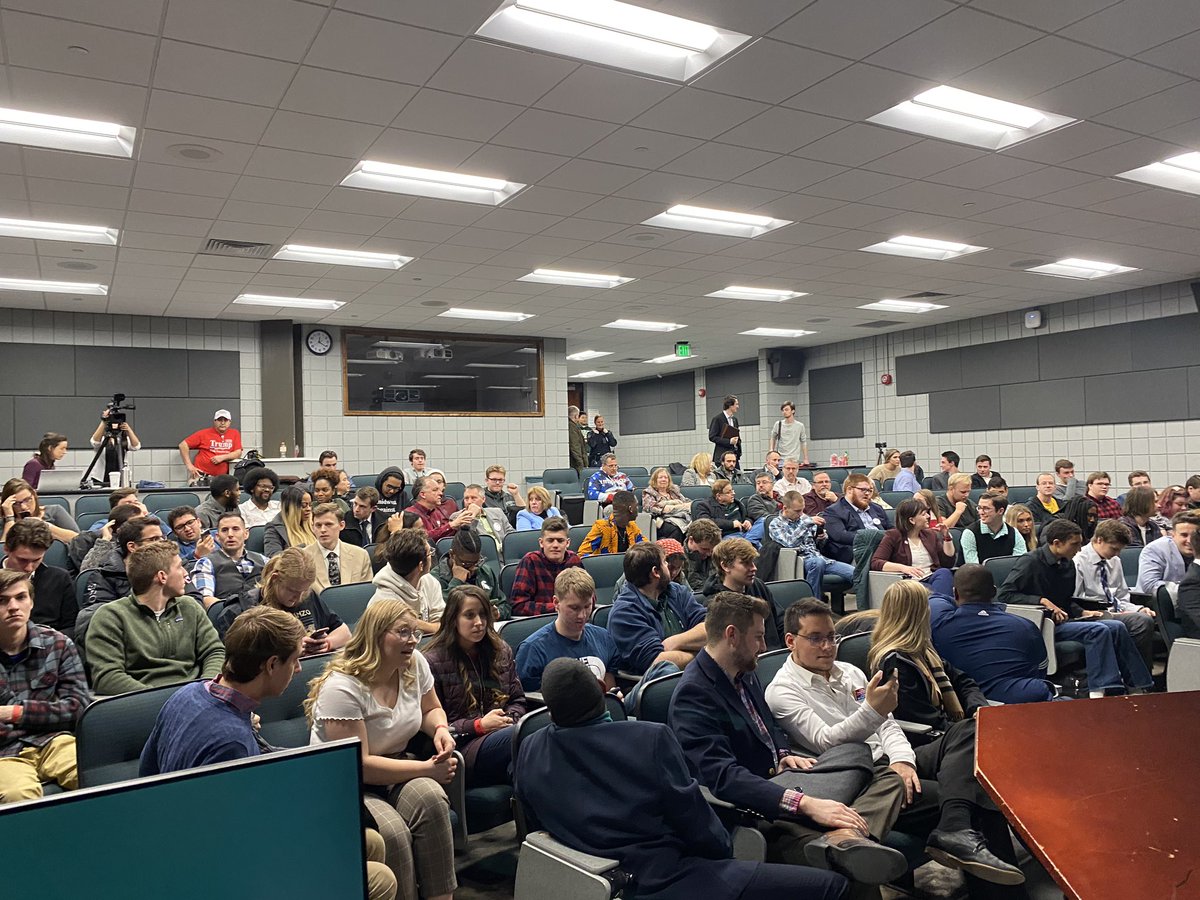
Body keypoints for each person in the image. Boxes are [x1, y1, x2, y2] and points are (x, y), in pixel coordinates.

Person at [516, 657, 849, 900]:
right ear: (604, 690)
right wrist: (726, 852)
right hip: (669, 879)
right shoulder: (649, 739)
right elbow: (694, 819)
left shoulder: (529, 749)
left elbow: (536, 819)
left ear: (550, 709)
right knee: (832, 887)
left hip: (589, 880)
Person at [768, 595, 1028, 890]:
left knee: (970, 730)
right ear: (791, 641)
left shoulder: (849, 672)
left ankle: (955, 829)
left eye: (831, 637)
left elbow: (888, 725)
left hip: (891, 760)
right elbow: (827, 742)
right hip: (861, 778)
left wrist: (902, 761)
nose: (827, 647)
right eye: (816, 639)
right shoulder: (782, 691)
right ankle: (972, 850)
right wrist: (872, 711)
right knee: (977, 794)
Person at [139, 606, 397, 900]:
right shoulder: (232, 744)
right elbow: (238, 849)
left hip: (177, 846)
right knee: (380, 878)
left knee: (371, 841)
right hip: (222, 874)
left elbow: (147, 772)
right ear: (272, 664)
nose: (298, 669)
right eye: (295, 660)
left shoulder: (186, 694)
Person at [669, 591, 907, 889]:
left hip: (787, 778)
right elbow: (723, 778)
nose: (764, 646)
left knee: (880, 770)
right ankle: (847, 842)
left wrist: (782, 752)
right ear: (732, 636)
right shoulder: (694, 694)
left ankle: (847, 836)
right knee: (849, 869)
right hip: (756, 809)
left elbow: (768, 725)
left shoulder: (742, 672)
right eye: (758, 637)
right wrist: (804, 804)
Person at [867, 582, 1027, 887]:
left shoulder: (924, 651)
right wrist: (974, 730)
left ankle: (1005, 880)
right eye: (926, 608)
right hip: (916, 747)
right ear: (916, 613)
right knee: (982, 778)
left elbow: (965, 682)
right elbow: (923, 722)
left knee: (987, 760)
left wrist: (978, 709)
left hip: (950, 740)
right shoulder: (893, 663)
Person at [306, 599, 458, 900]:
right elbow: (359, 765)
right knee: (391, 833)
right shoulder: (342, 686)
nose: (412, 640)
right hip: (347, 784)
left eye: (415, 632)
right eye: (403, 632)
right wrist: (428, 769)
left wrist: (441, 729)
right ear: (376, 635)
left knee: (432, 801)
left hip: (396, 765)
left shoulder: (414, 663)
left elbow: (431, 709)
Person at [996, 519, 1153, 698]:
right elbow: (1005, 595)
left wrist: (1082, 612)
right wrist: (1041, 600)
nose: (1079, 549)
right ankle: (1098, 692)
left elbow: (1066, 600)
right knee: (1098, 630)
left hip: (1063, 621)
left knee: (1117, 626)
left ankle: (1139, 686)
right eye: (1074, 544)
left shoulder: (1067, 564)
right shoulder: (1030, 562)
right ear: (1057, 543)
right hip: (1041, 624)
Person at [85, 541, 225, 695]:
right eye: (179, 567)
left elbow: (215, 652)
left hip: (196, 695)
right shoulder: (111, 617)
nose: (186, 573)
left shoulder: (189, 607)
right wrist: (158, 699)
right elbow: (108, 678)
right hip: (142, 703)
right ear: (162, 577)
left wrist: (206, 689)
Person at [0, 569, 90, 804]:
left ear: (31, 602)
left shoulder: (57, 644)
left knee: (93, 773)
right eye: (2, 600)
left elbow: (78, 708)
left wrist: (15, 713)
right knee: (18, 795)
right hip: (4, 754)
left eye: (20, 597)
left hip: (54, 740)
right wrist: (48, 714)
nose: (13, 607)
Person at [423, 585, 525, 788]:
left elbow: (517, 699)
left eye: (483, 615)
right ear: (453, 619)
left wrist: (508, 718)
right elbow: (435, 723)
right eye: (469, 615)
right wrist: (479, 725)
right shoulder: (432, 662)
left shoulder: (500, 651)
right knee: (526, 736)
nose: (479, 622)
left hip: (503, 737)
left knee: (524, 768)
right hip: (462, 748)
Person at [930, 565, 1054, 704]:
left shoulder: (938, 624)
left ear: (955, 593)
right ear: (994, 591)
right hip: (1016, 706)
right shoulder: (1026, 627)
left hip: (961, 704)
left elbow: (935, 598)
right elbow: (1041, 669)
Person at [608, 543, 707, 676]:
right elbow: (658, 662)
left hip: (692, 675)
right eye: (665, 562)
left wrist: (674, 642)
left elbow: (710, 628)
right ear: (655, 572)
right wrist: (704, 653)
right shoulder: (624, 613)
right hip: (658, 683)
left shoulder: (677, 591)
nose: (668, 566)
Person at [515, 568, 618, 691]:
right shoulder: (533, 649)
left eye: (587, 606)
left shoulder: (603, 637)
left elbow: (610, 687)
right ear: (556, 603)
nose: (582, 615)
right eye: (574, 608)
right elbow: (528, 698)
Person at [1073, 519, 1156, 669]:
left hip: (1116, 611)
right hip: (1094, 613)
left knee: (1144, 615)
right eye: (1114, 549)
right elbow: (1078, 600)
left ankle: (1137, 672)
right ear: (1099, 540)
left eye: (1120, 550)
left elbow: (1121, 596)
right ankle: (1136, 673)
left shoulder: (1115, 560)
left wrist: (1137, 609)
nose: (1117, 554)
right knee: (1141, 622)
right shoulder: (1078, 561)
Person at [699, 537, 785, 650]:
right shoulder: (716, 603)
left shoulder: (758, 585)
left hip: (774, 654)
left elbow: (780, 622)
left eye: (752, 562)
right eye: (746, 563)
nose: (754, 568)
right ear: (725, 566)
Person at [3, 518, 77, 638]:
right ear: (6, 549)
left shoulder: (60, 579)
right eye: (22, 560)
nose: (29, 568)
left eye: (36, 560)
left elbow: (71, 627)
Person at [770, 491, 855, 590]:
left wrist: (822, 538)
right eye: (797, 511)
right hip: (799, 561)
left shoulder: (804, 519)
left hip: (820, 558)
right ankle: (812, 599)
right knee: (817, 563)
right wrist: (805, 524)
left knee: (855, 573)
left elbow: (817, 545)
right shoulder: (776, 524)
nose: (801, 514)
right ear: (785, 508)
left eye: (802, 510)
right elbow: (789, 543)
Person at [870, 499, 955, 597]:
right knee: (932, 591)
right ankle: (941, 603)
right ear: (911, 520)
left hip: (931, 577)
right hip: (910, 582)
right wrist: (903, 568)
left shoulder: (930, 535)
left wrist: (946, 537)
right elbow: (876, 562)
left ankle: (938, 602)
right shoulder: (893, 536)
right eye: (924, 514)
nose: (928, 516)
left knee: (944, 572)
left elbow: (947, 563)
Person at [370, 529, 444, 634]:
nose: (431, 556)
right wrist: (429, 627)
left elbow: (442, 625)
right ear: (420, 566)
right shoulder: (384, 601)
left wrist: (413, 622)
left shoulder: (430, 582)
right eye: (430, 553)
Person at [192, 511, 267, 611]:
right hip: (226, 616)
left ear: (246, 534)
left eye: (235, 529)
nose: (230, 534)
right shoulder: (206, 563)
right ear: (217, 537)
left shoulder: (264, 561)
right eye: (224, 530)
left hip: (264, 614)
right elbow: (205, 600)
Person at [509, 517, 583, 616]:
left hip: (573, 618)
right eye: (550, 540)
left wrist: (568, 607)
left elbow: (588, 596)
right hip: (541, 620)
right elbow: (518, 605)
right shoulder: (530, 561)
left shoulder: (574, 560)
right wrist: (559, 607)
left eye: (560, 541)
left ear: (567, 543)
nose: (555, 545)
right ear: (541, 542)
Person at [431, 526, 503, 610]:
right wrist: (456, 581)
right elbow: (439, 609)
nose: (473, 568)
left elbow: (504, 604)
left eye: (477, 562)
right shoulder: (434, 578)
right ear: (452, 555)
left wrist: (498, 612)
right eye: (466, 564)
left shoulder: (485, 571)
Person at [304, 503, 373, 591]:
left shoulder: (360, 555)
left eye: (328, 524)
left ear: (341, 525)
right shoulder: (303, 558)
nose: (323, 530)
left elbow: (366, 592)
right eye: (318, 525)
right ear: (313, 528)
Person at [823, 475, 887, 564]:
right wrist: (875, 538)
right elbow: (840, 536)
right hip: (856, 553)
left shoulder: (876, 508)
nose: (867, 493)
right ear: (849, 490)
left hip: (884, 549)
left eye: (870, 490)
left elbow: (891, 528)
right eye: (863, 490)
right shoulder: (834, 511)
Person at [1136, 512, 1199, 596]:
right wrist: (1190, 588)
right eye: (1184, 535)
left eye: (1194, 536)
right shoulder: (1154, 549)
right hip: (1157, 601)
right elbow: (1149, 585)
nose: (1190, 541)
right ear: (1173, 535)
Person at [1, 478, 78, 544]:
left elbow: (79, 540)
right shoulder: (5, 523)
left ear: (34, 495)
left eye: (27, 500)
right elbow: (2, 552)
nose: (23, 507)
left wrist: (44, 526)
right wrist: (9, 519)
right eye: (16, 503)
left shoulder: (55, 511)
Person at [405, 476, 474, 543]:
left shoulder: (436, 512)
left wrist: (459, 525)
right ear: (423, 494)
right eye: (435, 490)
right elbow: (423, 538)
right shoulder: (410, 515)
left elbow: (445, 536)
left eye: (439, 490)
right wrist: (451, 525)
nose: (441, 493)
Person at [961, 493, 1025, 565]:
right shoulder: (970, 533)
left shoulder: (1014, 533)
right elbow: (974, 567)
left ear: (1000, 511)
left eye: (986, 508)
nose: (981, 512)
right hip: (980, 572)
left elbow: (1020, 564)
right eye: (979, 508)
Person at [178, 409, 241, 481]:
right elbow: (183, 445)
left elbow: (238, 452)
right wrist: (189, 465)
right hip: (201, 476)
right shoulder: (203, 433)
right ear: (215, 421)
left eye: (225, 420)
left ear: (230, 422)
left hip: (222, 479)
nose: (222, 423)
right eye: (219, 420)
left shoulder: (235, 433)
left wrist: (223, 457)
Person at [578, 490, 645, 557]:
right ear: (630, 509)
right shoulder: (601, 527)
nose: (638, 509)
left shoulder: (632, 526)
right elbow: (582, 554)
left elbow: (645, 547)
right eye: (636, 506)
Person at [89, 410, 142, 484]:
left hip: (122, 478)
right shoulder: (103, 440)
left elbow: (136, 446)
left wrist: (128, 430)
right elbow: (94, 442)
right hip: (100, 478)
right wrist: (104, 421)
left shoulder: (122, 440)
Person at [263, 485, 315, 558]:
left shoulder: (315, 524)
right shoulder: (274, 529)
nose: (308, 509)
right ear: (290, 507)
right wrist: (303, 549)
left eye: (310, 505)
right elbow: (274, 557)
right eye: (303, 505)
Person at [642, 467, 690, 543]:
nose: (663, 479)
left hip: (679, 517)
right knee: (676, 529)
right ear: (655, 480)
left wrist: (672, 507)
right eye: (660, 477)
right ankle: (673, 549)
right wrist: (674, 505)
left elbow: (686, 502)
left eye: (666, 477)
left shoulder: (673, 491)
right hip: (659, 520)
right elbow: (650, 508)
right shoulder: (649, 492)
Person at [683, 519, 720, 592]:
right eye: (704, 549)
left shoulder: (716, 554)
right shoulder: (679, 559)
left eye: (711, 550)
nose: (709, 554)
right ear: (691, 540)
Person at [769, 401, 809, 466]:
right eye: (783, 410)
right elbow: (773, 437)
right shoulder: (778, 424)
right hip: (781, 459)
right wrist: (771, 450)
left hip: (794, 459)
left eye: (786, 410)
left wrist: (806, 458)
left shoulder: (800, 426)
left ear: (793, 411)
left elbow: (803, 442)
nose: (784, 412)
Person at [709, 395, 743, 469]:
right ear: (730, 405)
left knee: (738, 475)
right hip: (722, 456)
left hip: (734, 456)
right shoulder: (717, 419)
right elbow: (712, 437)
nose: (738, 406)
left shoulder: (735, 420)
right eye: (736, 404)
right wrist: (729, 441)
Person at [567, 405, 587, 473]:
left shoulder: (573, 426)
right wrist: (581, 462)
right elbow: (575, 446)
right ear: (576, 416)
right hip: (576, 463)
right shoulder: (572, 427)